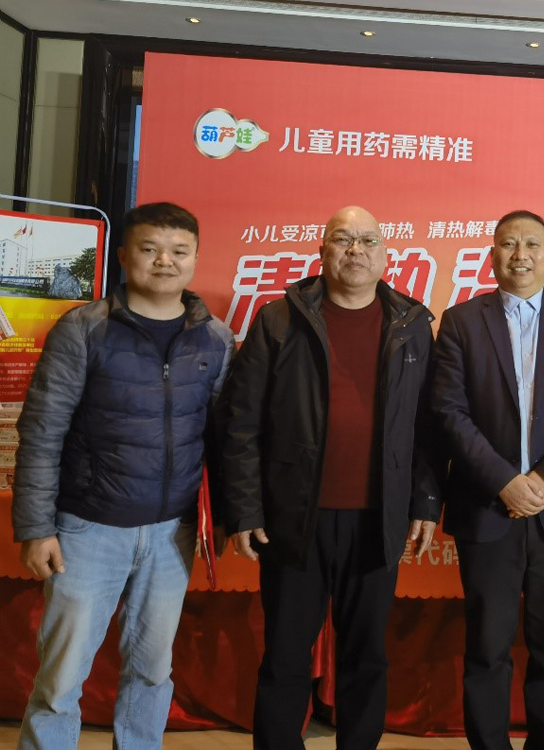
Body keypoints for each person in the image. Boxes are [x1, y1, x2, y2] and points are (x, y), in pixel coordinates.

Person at [12, 201, 234, 749]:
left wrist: (224, 521)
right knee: (61, 679)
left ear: (196, 258)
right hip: (87, 530)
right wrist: (36, 527)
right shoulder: (83, 329)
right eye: (150, 249)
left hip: (172, 534)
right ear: (125, 255)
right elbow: (42, 431)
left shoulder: (215, 338)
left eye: (179, 251)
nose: (165, 261)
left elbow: (225, 440)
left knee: (153, 673)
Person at [219, 205, 441, 750]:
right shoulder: (279, 320)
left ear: (385, 255)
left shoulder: (412, 325)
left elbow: (428, 427)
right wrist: (244, 510)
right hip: (295, 517)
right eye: (343, 239)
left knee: (366, 655)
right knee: (285, 654)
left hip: (377, 519)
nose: (355, 250)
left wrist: (425, 503)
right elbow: (241, 423)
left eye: (368, 240)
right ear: (322, 252)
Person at [430, 210, 544, 750]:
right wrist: (504, 482)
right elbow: (448, 410)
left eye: (532, 244)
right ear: (492, 255)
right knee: (486, 646)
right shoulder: (462, 321)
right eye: (509, 244)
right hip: (489, 510)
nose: (521, 255)